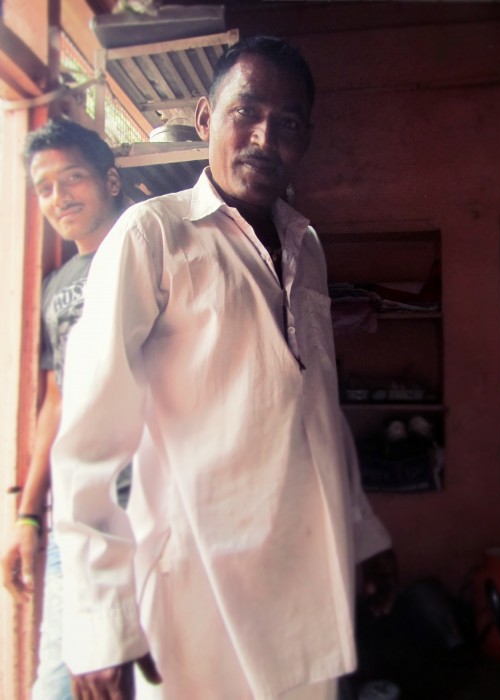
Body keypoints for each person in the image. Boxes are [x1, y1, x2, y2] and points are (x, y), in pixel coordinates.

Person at [51, 36, 396, 700]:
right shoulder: (152, 235)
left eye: (288, 124)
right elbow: (90, 442)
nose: (265, 138)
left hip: (304, 580)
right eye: (247, 112)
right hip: (198, 591)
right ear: (206, 118)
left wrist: (362, 534)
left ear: (305, 139)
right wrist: (101, 623)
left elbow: (317, 408)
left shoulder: (305, 244)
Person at [1, 117, 129, 699]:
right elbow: (56, 399)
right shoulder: (58, 285)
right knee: (55, 685)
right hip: (74, 523)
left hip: (148, 515)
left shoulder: (150, 252)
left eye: (72, 178)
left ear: (110, 181)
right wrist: (28, 517)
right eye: (44, 187)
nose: (58, 197)